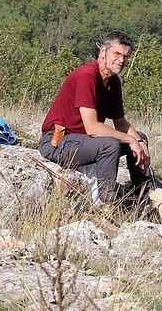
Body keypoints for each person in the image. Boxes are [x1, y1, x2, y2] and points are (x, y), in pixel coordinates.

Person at [38, 31, 150, 205]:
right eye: (117, 54)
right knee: (110, 145)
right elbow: (92, 127)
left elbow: (120, 122)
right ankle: (107, 202)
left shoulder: (113, 82)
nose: (121, 60)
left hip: (83, 142)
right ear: (103, 51)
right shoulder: (87, 76)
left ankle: (143, 196)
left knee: (140, 138)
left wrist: (140, 143)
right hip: (58, 141)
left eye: (126, 56)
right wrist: (130, 140)